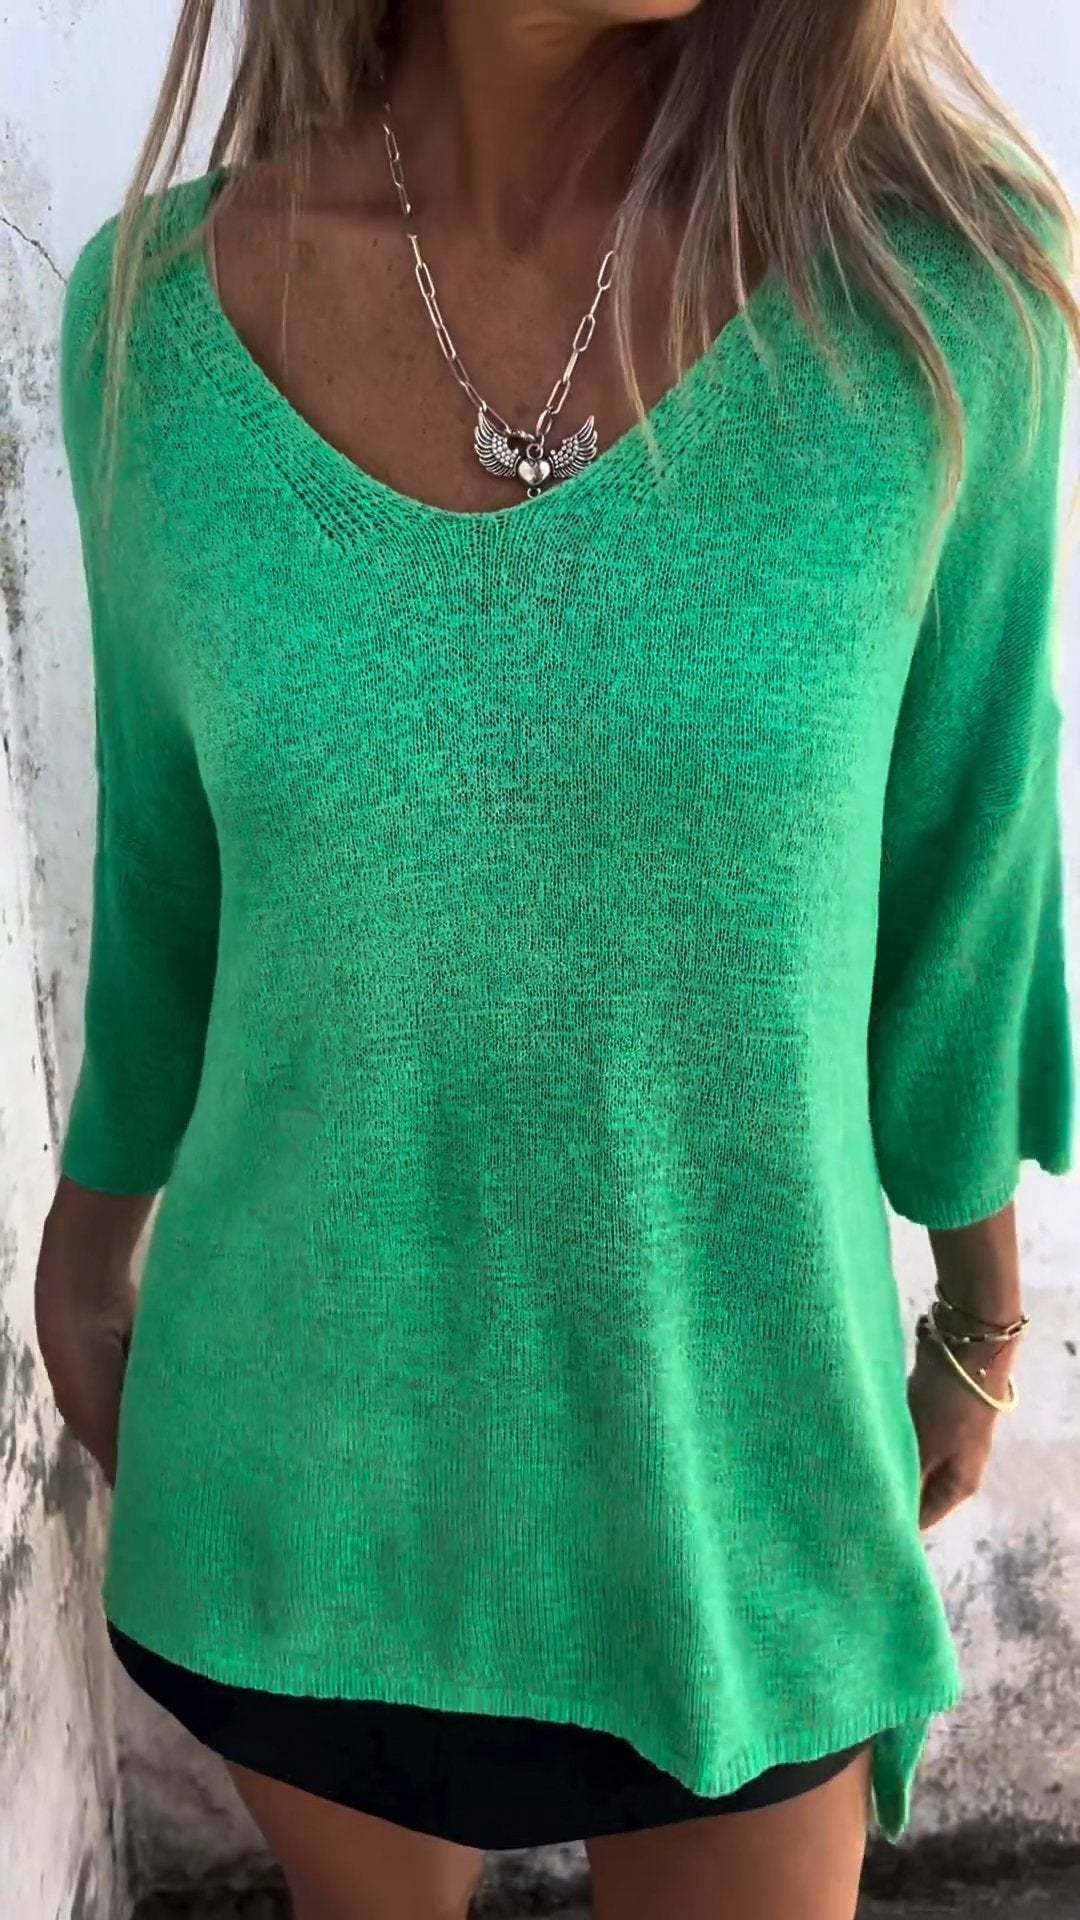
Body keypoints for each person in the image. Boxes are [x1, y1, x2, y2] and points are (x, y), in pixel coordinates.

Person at [34, 3, 1078, 1917]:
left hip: (741, 1477)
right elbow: (173, 879)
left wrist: (981, 1310)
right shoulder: (161, 333)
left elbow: (965, 868)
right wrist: (88, 1246)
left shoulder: (940, 311)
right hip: (298, 1463)